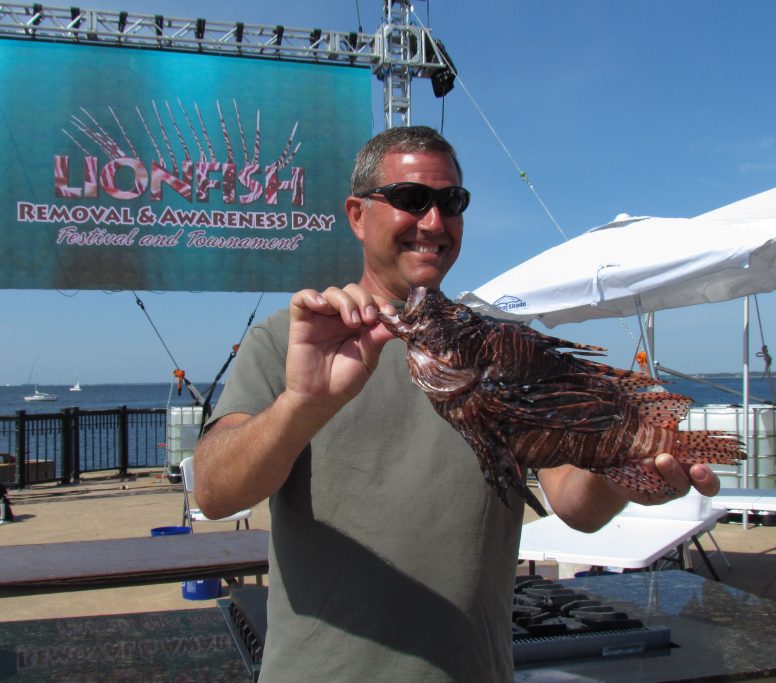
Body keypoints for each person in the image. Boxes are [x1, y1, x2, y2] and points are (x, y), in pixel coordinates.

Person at [194, 126, 720, 681]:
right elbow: (215, 491)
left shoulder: (508, 347)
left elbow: (576, 505)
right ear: (357, 215)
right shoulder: (289, 341)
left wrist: (630, 471)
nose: (434, 222)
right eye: (410, 199)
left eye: (452, 203)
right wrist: (303, 403)